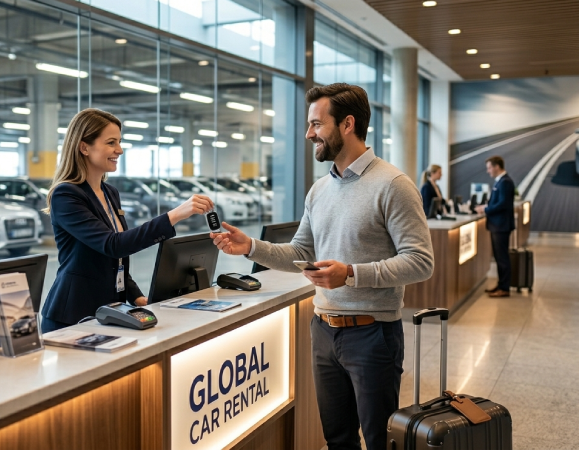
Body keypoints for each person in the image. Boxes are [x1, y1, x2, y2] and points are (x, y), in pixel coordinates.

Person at [210, 83, 434, 450]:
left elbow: (420, 261)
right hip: (323, 330)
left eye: (316, 123)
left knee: (380, 440)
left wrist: (350, 273)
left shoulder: (393, 185)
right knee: (337, 440)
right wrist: (249, 247)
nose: (308, 133)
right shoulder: (319, 189)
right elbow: (300, 250)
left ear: (347, 124)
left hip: (372, 335)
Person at [40, 108, 213, 332]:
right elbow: (113, 245)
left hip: (111, 309)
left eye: (119, 142)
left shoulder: (110, 192)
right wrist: (175, 214)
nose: (119, 150)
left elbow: (116, 261)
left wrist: (137, 297)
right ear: (84, 147)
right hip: (73, 315)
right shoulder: (66, 195)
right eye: (111, 142)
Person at [475, 155, 515, 298]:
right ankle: (501, 284)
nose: (488, 171)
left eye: (489, 167)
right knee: (499, 258)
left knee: (502, 258)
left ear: (497, 166)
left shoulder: (505, 182)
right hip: (498, 225)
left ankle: (504, 288)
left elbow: (502, 204)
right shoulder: (501, 181)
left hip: (501, 226)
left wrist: (485, 209)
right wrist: (486, 206)